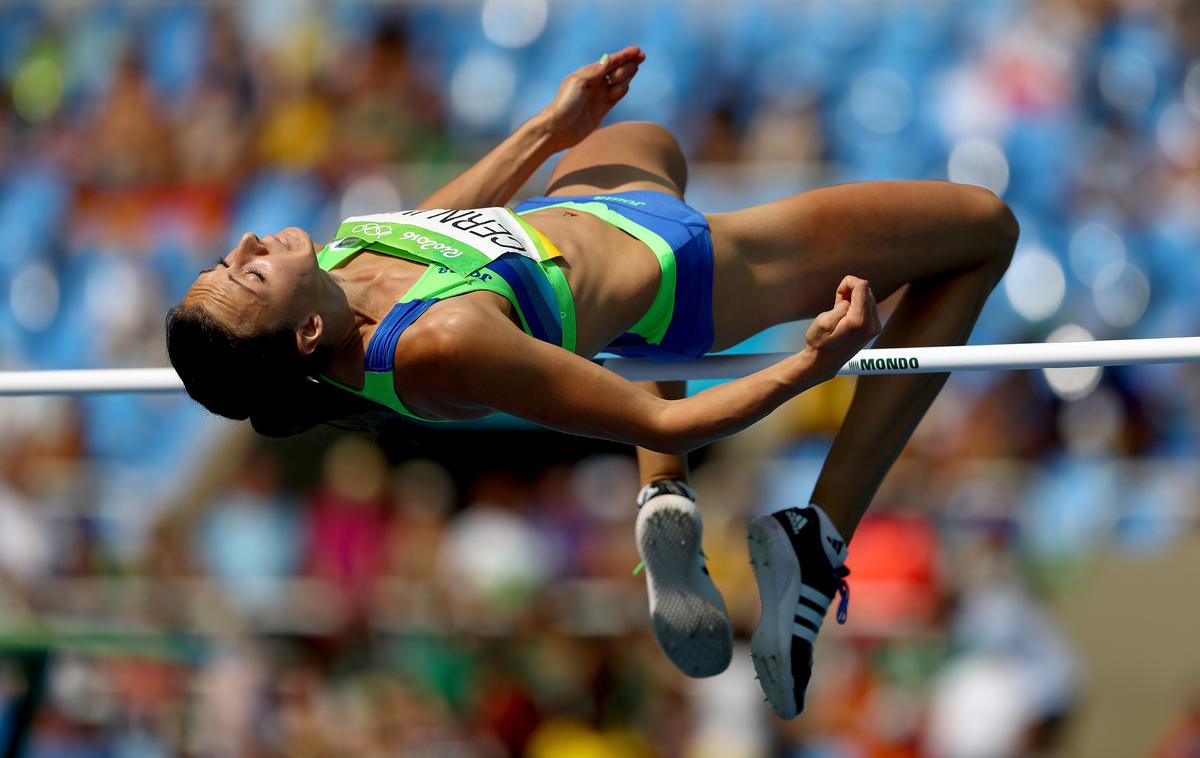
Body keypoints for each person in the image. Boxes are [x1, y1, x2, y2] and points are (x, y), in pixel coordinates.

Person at [166, 46, 1018, 718]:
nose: (243, 248)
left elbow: (431, 228)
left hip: (598, 217)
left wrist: (551, 128)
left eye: (222, 260)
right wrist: (812, 361)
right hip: (688, 272)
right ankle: (816, 538)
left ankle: (665, 507)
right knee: (985, 226)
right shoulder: (439, 342)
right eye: (244, 278)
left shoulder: (348, 263)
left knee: (647, 138)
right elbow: (659, 417)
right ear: (306, 332)